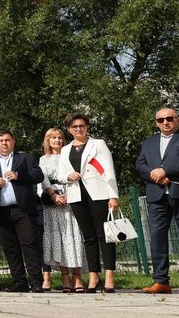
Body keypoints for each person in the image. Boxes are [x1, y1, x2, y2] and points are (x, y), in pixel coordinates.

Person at [136, 107, 179, 294]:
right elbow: (140, 164)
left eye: (169, 118)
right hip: (156, 194)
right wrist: (155, 176)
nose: (165, 122)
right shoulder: (148, 143)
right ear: (156, 122)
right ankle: (161, 281)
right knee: (157, 238)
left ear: (178, 120)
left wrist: (165, 171)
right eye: (160, 120)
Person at [0, 129, 44, 293]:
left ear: (13, 142)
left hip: (23, 209)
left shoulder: (25, 158)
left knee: (29, 245)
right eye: (0, 141)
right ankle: (19, 281)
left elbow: (38, 175)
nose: (4, 143)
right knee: (10, 247)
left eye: (7, 140)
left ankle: (35, 282)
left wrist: (19, 175)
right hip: (0, 211)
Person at [60, 113, 119, 292]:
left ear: (87, 127)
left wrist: (113, 195)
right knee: (89, 237)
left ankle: (109, 275)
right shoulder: (65, 150)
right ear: (69, 129)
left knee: (105, 235)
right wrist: (68, 176)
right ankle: (94, 276)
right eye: (74, 126)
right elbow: (61, 174)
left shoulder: (98, 144)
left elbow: (109, 169)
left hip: (99, 194)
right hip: (77, 195)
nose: (79, 129)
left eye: (82, 125)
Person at [38, 127, 85, 292]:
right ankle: (64, 275)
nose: (57, 140)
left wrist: (66, 195)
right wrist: (54, 196)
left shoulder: (69, 154)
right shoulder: (43, 160)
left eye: (59, 137)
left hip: (72, 198)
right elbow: (43, 180)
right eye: (53, 138)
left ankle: (77, 275)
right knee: (59, 238)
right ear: (48, 141)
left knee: (75, 236)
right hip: (52, 203)